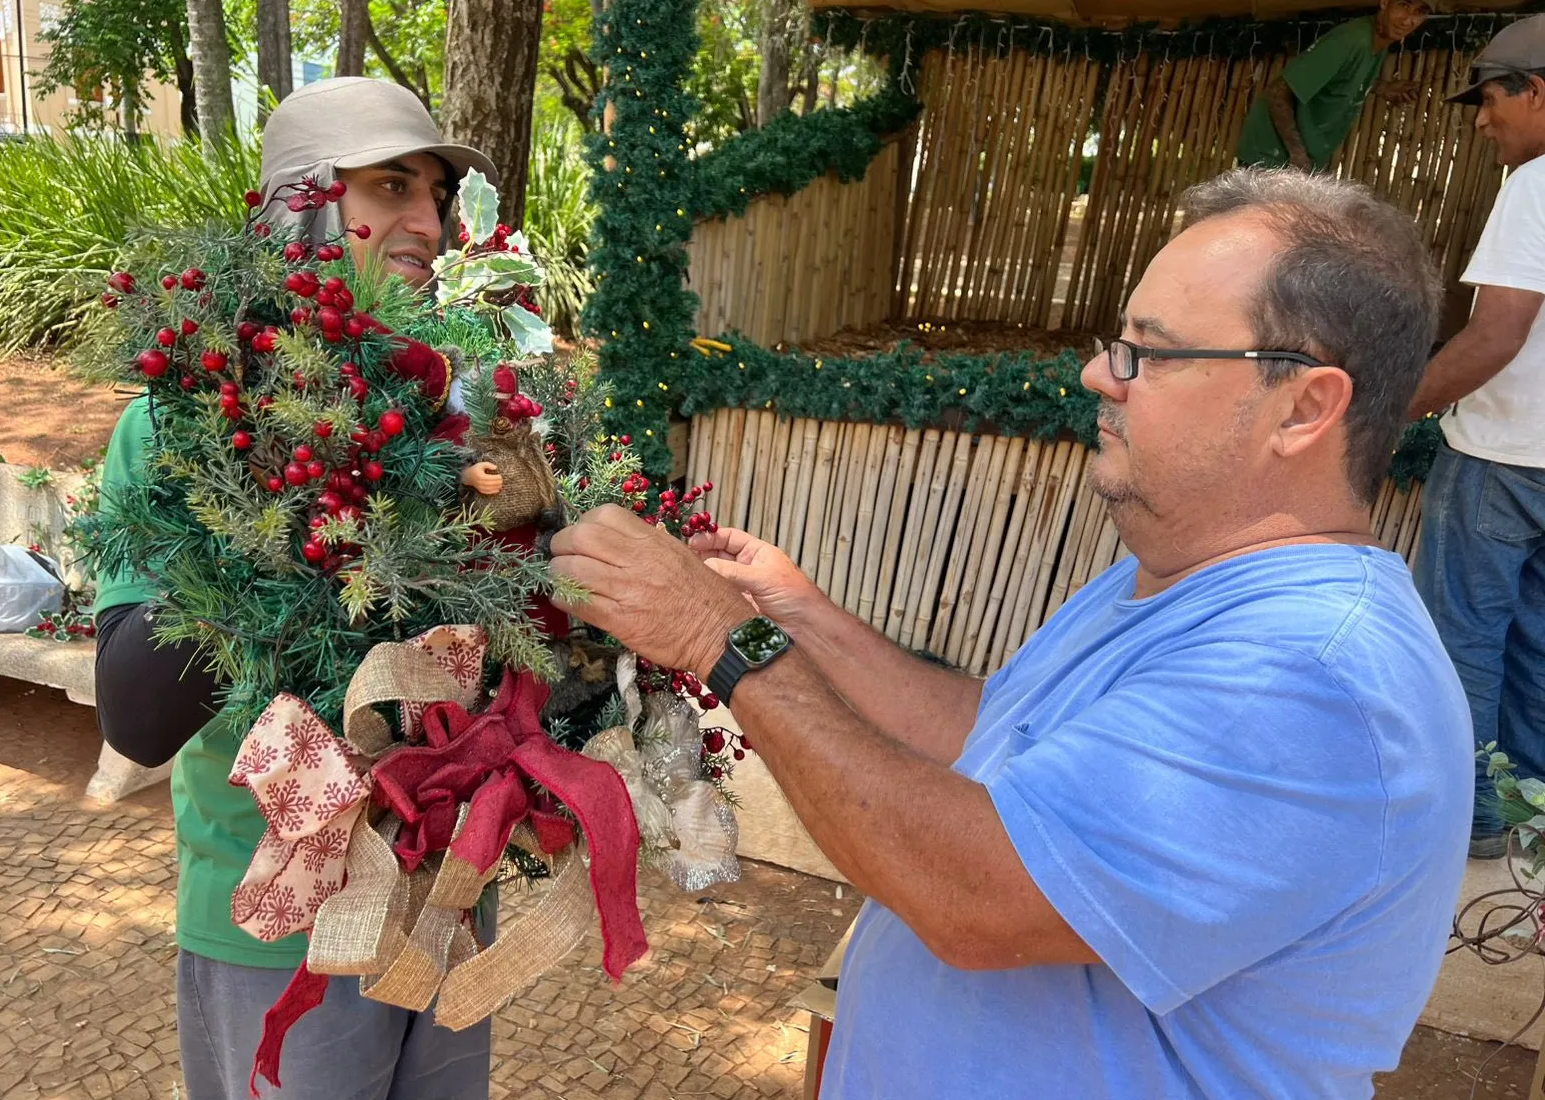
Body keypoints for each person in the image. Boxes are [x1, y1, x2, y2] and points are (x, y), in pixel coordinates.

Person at [549, 168, 1472, 1099]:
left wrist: (721, 638)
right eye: (1117, 343)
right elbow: (991, 736)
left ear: (1304, 407)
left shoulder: (1308, 676)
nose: (1098, 375)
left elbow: (977, 895)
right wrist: (799, 617)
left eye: (1149, 353)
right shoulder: (1181, 581)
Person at [92, 77, 498, 1100]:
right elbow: (136, 715)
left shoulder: (453, 421)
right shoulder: (187, 422)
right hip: (279, 931)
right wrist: (283, 490)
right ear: (300, 210)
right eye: (393, 184)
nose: (429, 220)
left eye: (437, 193)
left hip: (446, 899)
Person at [1408, 14, 1545, 860]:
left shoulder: (1536, 185)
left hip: (1501, 457)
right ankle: (1527, 812)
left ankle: (1472, 821)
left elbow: (1496, 335)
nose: (1482, 120)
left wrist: (1392, 406)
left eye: (1493, 98)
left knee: (1462, 640)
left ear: (1539, 92)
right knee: (1537, 646)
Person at [1237, 0, 1431, 172]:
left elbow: (1340, 77)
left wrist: (1381, 87)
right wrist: (1297, 154)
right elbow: (1278, 92)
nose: (1408, 20)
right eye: (1403, 5)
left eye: (1419, 11)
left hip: (1290, 159)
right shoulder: (1351, 40)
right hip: (1270, 156)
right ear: (1384, 2)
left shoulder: (1377, 41)